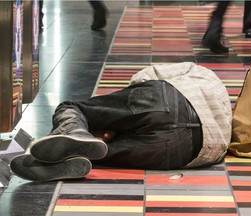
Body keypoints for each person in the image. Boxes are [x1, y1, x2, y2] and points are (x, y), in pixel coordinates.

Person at [10, 62, 232, 182]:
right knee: (102, 152)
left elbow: (145, 77)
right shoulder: (225, 139)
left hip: (168, 100)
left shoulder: (205, 76)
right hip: (187, 150)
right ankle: (73, 152)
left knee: (72, 108)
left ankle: (76, 132)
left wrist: (117, 116)